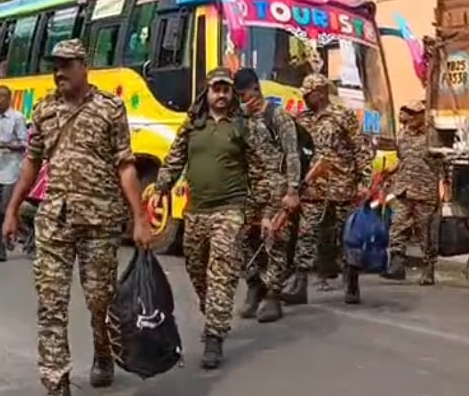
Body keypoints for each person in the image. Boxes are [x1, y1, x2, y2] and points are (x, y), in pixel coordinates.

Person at [1, 39, 153, 396]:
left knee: (100, 300)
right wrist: (11, 210)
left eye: (66, 65)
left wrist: (140, 218)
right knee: (51, 304)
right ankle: (57, 383)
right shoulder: (44, 111)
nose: (59, 72)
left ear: (84, 66)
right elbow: (31, 163)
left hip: (100, 221)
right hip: (55, 220)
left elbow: (126, 165)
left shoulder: (110, 108)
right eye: (55, 66)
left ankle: (104, 350)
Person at [154, 67, 283, 368]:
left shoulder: (243, 126)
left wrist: (268, 211)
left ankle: (214, 336)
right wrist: (161, 187)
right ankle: (212, 311)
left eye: (226, 90)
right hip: (196, 211)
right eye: (217, 89)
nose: (222, 95)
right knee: (197, 270)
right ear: (207, 92)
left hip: (230, 211)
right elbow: (174, 159)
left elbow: (263, 169)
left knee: (221, 274)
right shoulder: (192, 125)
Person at [285, 73, 374, 306]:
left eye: (308, 94)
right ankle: (300, 284)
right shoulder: (303, 119)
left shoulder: (343, 116)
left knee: (348, 238)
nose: (305, 98)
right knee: (306, 235)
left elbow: (361, 149)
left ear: (321, 93)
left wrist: (364, 182)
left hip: (342, 188)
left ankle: (351, 282)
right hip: (312, 190)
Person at [232, 68, 302, 323]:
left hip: (277, 190)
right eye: (239, 97)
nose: (243, 101)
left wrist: (293, 191)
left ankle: (273, 295)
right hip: (251, 191)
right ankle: (254, 284)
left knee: (275, 242)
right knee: (238, 238)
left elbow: (292, 154)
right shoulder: (241, 119)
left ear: (256, 89)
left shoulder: (278, 116)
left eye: (245, 95)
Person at [383, 100, 444, 285]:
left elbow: (444, 164)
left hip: (424, 191)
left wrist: (446, 190)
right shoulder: (402, 135)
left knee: (425, 233)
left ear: (422, 115)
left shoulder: (433, 136)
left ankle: (428, 268)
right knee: (397, 226)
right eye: (408, 112)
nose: (410, 117)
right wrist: (390, 172)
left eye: (414, 113)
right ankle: (397, 264)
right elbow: (403, 159)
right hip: (403, 189)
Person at [0, 84, 28, 262]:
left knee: (8, 209)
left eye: (0, 97)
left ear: (9, 99)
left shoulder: (17, 118)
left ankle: (28, 235)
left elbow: (24, 144)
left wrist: (5, 145)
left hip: (11, 171)